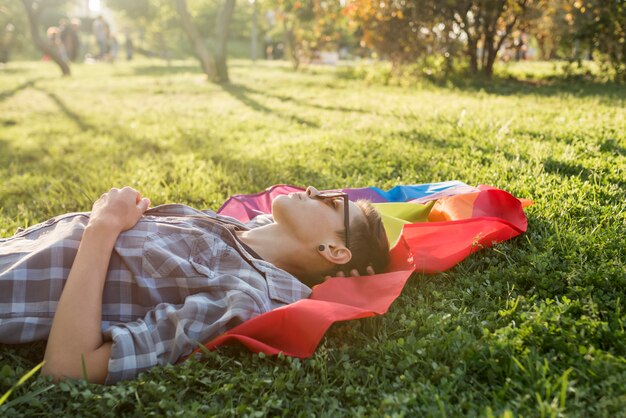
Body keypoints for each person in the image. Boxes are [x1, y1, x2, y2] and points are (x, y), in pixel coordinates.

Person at [0, 186, 389, 384]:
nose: (311, 191)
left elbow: (70, 368)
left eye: (331, 202)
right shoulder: (243, 231)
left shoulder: (243, 295)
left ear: (335, 250)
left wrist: (103, 227)